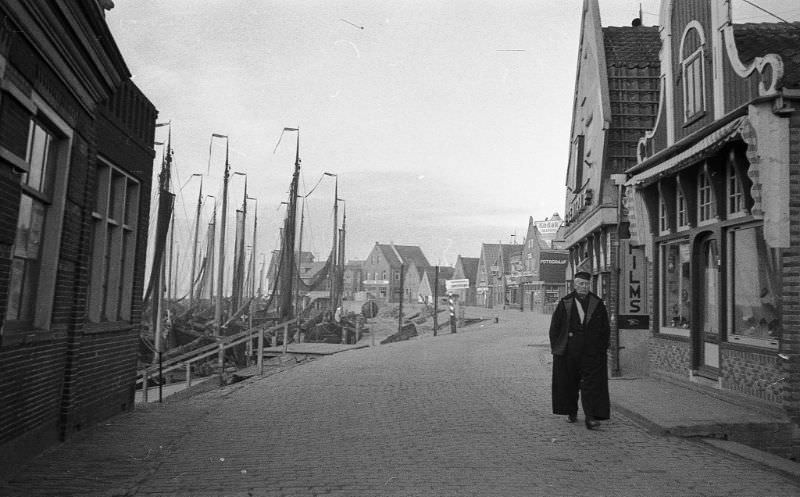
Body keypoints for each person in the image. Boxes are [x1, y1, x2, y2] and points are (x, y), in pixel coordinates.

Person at [548, 271, 610, 430]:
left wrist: (601, 348)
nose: (584, 287)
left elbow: (605, 329)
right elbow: (555, 328)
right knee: (570, 383)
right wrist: (557, 347)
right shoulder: (565, 303)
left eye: (586, 284)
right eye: (581, 284)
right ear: (574, 285)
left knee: (591, 385)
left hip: (591, 353)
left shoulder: (597, 304)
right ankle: (571, 412)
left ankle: (590, 418)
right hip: (569, 352)